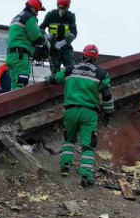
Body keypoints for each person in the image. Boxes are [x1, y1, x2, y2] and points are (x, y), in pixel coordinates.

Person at [46, 44, 114, 188]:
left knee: (69, 140)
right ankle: (85, 179)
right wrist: (108, 112)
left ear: (83, 55)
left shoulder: (70, 69)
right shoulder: (101, 74)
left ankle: (65, 168)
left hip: (70, 111)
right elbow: (107, 95)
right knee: (88, 146)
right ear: (96, 59)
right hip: (89, 113)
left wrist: (48, 79)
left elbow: (55, 79)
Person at [6, 0, 47, 91]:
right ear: (32, 8)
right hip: (21, 56)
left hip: (11, 56)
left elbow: (22, 33)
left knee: (13, 86)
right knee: (21, 83)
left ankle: (12, 104)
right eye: (37, 11)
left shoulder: (16, 17)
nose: (37, 14)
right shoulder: (29, 17)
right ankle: (18, 104)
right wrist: (44, 41)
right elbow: (35, 36)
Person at [39, 0, 77, 74]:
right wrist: (45, 35)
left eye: (64, 9)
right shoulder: (50, 15)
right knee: (55, 71)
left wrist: (62, 43)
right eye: (60, 9)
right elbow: (40, 28)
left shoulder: (70, 16)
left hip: (66, 46)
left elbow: (73, 32)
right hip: (53, 48)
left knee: (71, 69)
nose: (62, 11)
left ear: (67, 7)